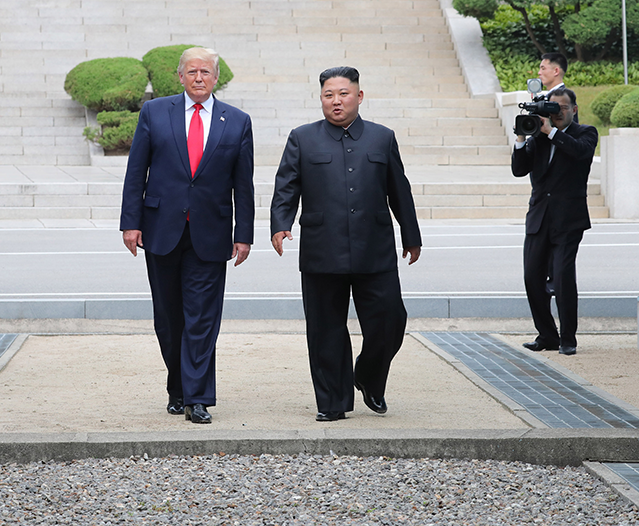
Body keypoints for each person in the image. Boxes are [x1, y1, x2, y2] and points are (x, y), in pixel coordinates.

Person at [270, 66, 422, 422]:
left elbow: (400, 190)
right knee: (325, 329)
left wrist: (411, 235)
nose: (336, 101)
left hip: (376, 248)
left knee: (390, 321)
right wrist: (281, 224)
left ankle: (368, 375)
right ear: (321, 98)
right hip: (323, 249)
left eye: (343, 94)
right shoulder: (302, 138)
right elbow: (286, 187)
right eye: (328, 95)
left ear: (359, 96)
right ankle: (332, 401)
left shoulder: (382, 138)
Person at [120, 47, 254, 425]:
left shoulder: (237, 121)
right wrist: (131, 222)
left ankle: (198, 397)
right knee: (168, 317)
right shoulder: (154, 112)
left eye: (206, 72)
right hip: (161, 229)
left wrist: (243, 233)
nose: (199, 77)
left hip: (210, 233)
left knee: (202, 318)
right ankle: (177, 386)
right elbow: (136, 172)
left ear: (216, 78)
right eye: (192, 71)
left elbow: (243, 185)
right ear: (180, 77)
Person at [512, 88, 597, 356]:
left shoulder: (585, 133)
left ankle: (568, 338)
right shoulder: (539, 135)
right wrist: (521, 138)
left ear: (574, 109)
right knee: (532, 278)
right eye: (553, 107)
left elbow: (580, 153)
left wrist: (552, 132)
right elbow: (519, 169)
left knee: (562, 278)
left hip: (568, 220)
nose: (557, 112)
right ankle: (547, 335)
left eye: (562, 108)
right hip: (539, 217)